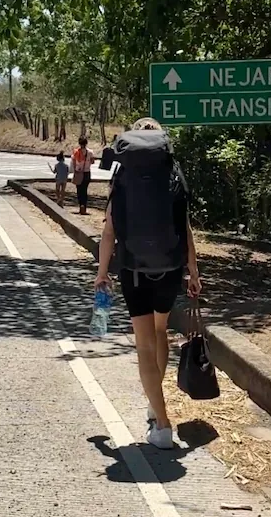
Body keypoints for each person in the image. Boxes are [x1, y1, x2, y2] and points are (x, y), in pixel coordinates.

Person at [94, 117, 202, 449]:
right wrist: (193, 271)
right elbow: (184, 228)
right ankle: (154, 405)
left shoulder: (123, 175)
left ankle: (163, 423)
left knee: (143, 344)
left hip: (134, 270)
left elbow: (110, 230)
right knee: (160, 332)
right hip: (169, 268)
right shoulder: (172, 171)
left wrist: (102, 272)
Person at [71, 136, 95, 215]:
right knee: (85, 190)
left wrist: (75, 170)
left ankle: (80, 205)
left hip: (78, 172)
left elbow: (73, 163)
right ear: (86, 143)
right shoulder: (90, 152)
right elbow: (92, 162)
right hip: (87, 173)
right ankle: (84, 206)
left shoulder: (76, 152)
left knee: (79, 190)